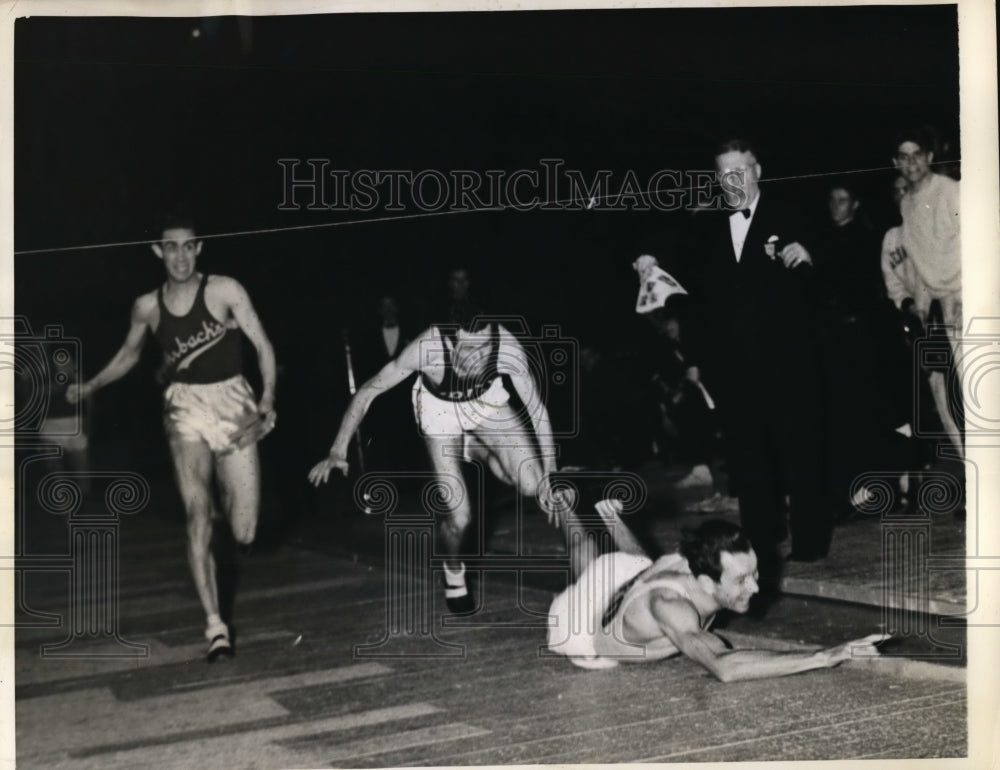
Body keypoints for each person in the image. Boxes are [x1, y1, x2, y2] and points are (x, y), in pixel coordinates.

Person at [66, 215, 277, 662]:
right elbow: (129, 354)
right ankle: (214, 626)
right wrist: (92, 385)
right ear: (157, 252)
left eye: (187, 247)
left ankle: (234, 522)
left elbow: (262, 344)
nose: (179, 256)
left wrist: (268, 399)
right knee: (198, 514)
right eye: (170, 248)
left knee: (244, 528)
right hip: (185, 408)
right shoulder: (148, 305)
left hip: (235, 402)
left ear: (198, 248)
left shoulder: (224, 290)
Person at [309, 302, 570, 612]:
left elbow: (536, 409)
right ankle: (453, 569)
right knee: (460, 518)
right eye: (469, 350)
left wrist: (551, 470)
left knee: (534, 484)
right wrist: (337, 450)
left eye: (485, 348)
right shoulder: (426, 349)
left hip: (484, 402)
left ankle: (476, 448)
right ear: (449, 341)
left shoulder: (506, 346)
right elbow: (367, 392)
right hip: (440, 411)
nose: (479, 358)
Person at [684, 137, 830, 591]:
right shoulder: (709, 229)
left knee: (798, 451)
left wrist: (809, 259)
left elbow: (824, 282)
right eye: (723, 174)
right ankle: (764, 540)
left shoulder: (791, 216)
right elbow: (700, 303)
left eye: (739, 172)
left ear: (757, 171)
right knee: (749, 458)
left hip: (789, 362)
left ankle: (810, 541)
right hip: (735, 367)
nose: (731, 183)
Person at [548, 517, 884, 680]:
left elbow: (644, 571)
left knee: (637, 565)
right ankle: (561, 504)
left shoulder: (686, 560)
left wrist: (616, 522)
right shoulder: (671, 606)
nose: (755, 588)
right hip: (582, 633)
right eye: (741, 580)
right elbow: (723, 666)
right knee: (593, 569)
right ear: (706, 583)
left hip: (629, 579)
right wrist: (824, 656)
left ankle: (592, 511)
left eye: (754, 573)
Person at [891, 126, 961, 353]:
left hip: (971, 293)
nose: (911, 163)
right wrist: (921, 306)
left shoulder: (950, 191)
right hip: (945, 302)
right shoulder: (906, 205)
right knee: (969, 377)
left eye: (917, 155)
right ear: (895, 163)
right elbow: (921, 259)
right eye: (904, 157)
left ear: (929, 157)